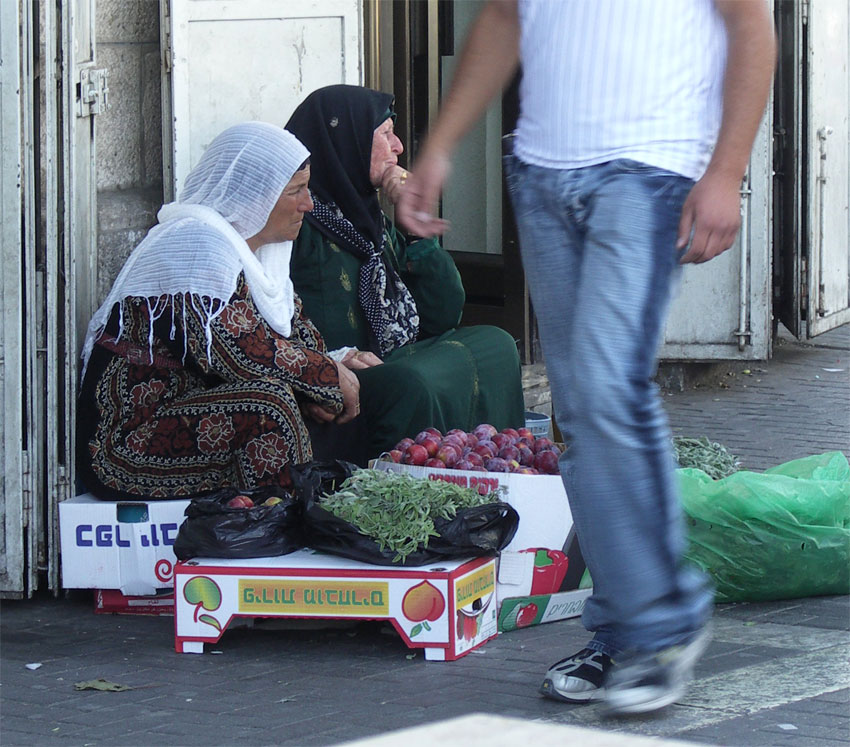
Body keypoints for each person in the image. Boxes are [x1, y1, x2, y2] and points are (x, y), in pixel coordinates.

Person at [397, 0, 775, 715]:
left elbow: (750, 23)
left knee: (608, 390)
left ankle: (664, 620)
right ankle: (624, 631)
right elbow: (506, 16)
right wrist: (441, 145)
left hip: (650, 172)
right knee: (578, 410)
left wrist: (726, 171)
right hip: (542, 174)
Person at [77, 122, 360, 500]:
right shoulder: (197, 245)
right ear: (256, 195)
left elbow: (296, 336)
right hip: (130, 441)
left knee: (348, 388)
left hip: (197, 412)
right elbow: (238, 352)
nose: (308, 203)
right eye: (296, 191)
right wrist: (328, 376)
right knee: (268, 406)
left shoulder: (264, 255)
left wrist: (337, 369)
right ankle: (276, 534)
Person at [285, 84, 525, 462]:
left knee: (496, 344)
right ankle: (423, 485)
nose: (398, 147)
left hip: (393, 357)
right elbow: (269, 315)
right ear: (344, 140)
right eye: (385, 134)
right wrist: (326, 360)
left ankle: (491, 469)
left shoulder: (371, 223)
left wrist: (416, 230)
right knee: (410, 382)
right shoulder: (296, 220)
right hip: (339, 369)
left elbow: (443, 314)